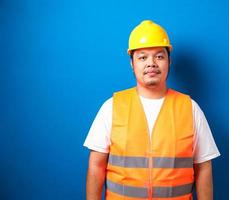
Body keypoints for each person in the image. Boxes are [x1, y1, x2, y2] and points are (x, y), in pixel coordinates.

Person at [84, 20, 220, 200]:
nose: (151, 63)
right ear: (132, 64)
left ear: (169, 61)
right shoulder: (112, 107)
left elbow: (203, 167)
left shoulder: (190, 109)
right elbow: (96, 166)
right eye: (142, 57)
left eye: (159, 56)